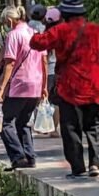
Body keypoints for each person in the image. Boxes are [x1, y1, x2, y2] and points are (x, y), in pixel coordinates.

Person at [31, 0, 99, 178]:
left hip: (69, 87)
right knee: (93, 126)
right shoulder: (97, 30)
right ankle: (95, 164)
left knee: (71, 128)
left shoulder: (60, 30)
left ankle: (78, 167)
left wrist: (44, 25)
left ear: (64, 12)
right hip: (94, 86)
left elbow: (36, 43)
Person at [0, 5, 47, 169]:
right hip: (36, 85)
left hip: (20, 84)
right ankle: (30, 157)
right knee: (23, 122)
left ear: (10, 20)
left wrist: (1, 87)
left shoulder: (13, 35)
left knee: (5, 122)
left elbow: (10, 63)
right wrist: (44, 86)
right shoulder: (34, 34)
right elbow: (44, 61)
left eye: (4, 22)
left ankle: (18, 156)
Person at [43, 7, 62, 138]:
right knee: (57, 102)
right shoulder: (64, 33)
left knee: (47, 101)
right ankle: (54, 128)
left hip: (49, 71)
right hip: (61, 71)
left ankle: (46, 127)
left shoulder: (46, 35)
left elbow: (44, 57)